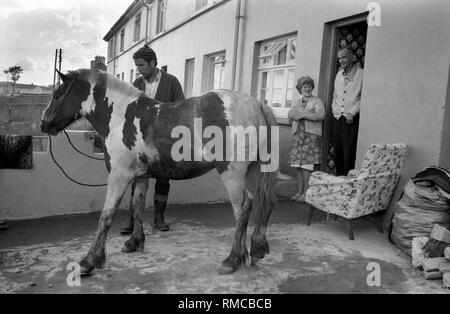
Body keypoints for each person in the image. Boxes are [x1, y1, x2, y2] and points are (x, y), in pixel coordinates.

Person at [120, 44, 185, 234]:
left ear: (153, 63)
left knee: (164, 179)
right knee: (137, 179)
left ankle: (159, 218)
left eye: (141, 65)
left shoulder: (172, 82)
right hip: (141, 141)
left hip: (165, 139)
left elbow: (181, 107)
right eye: (137, 65)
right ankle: (133, 221)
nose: (138, 69)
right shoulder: (137, 85)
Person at [288, 76, 325, 202]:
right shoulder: (297, 102)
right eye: (304, 87)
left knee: (307, 166)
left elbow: (321, 115)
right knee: (298, 165)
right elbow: (291, 115)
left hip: (311, 136)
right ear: (300, 89)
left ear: (312, 87)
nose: (307, 89)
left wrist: (302, 114)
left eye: (309, 86)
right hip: (298, 135)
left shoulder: (317, 101)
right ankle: (299, 192)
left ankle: (306, 194)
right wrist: (293, 115)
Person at [331, 48, 364, 176]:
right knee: (338, 151)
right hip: (338, 117)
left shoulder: (361, 73)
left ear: (352, 58)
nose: (341, 60)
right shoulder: (339, 74)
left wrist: (352, 112)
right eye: (339, 58)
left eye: (344, 57)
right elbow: (335, 96)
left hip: (351, 119)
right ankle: (339, 179)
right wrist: (335, 111)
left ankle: (348, 181)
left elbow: (364, 97)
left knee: (349, 152)